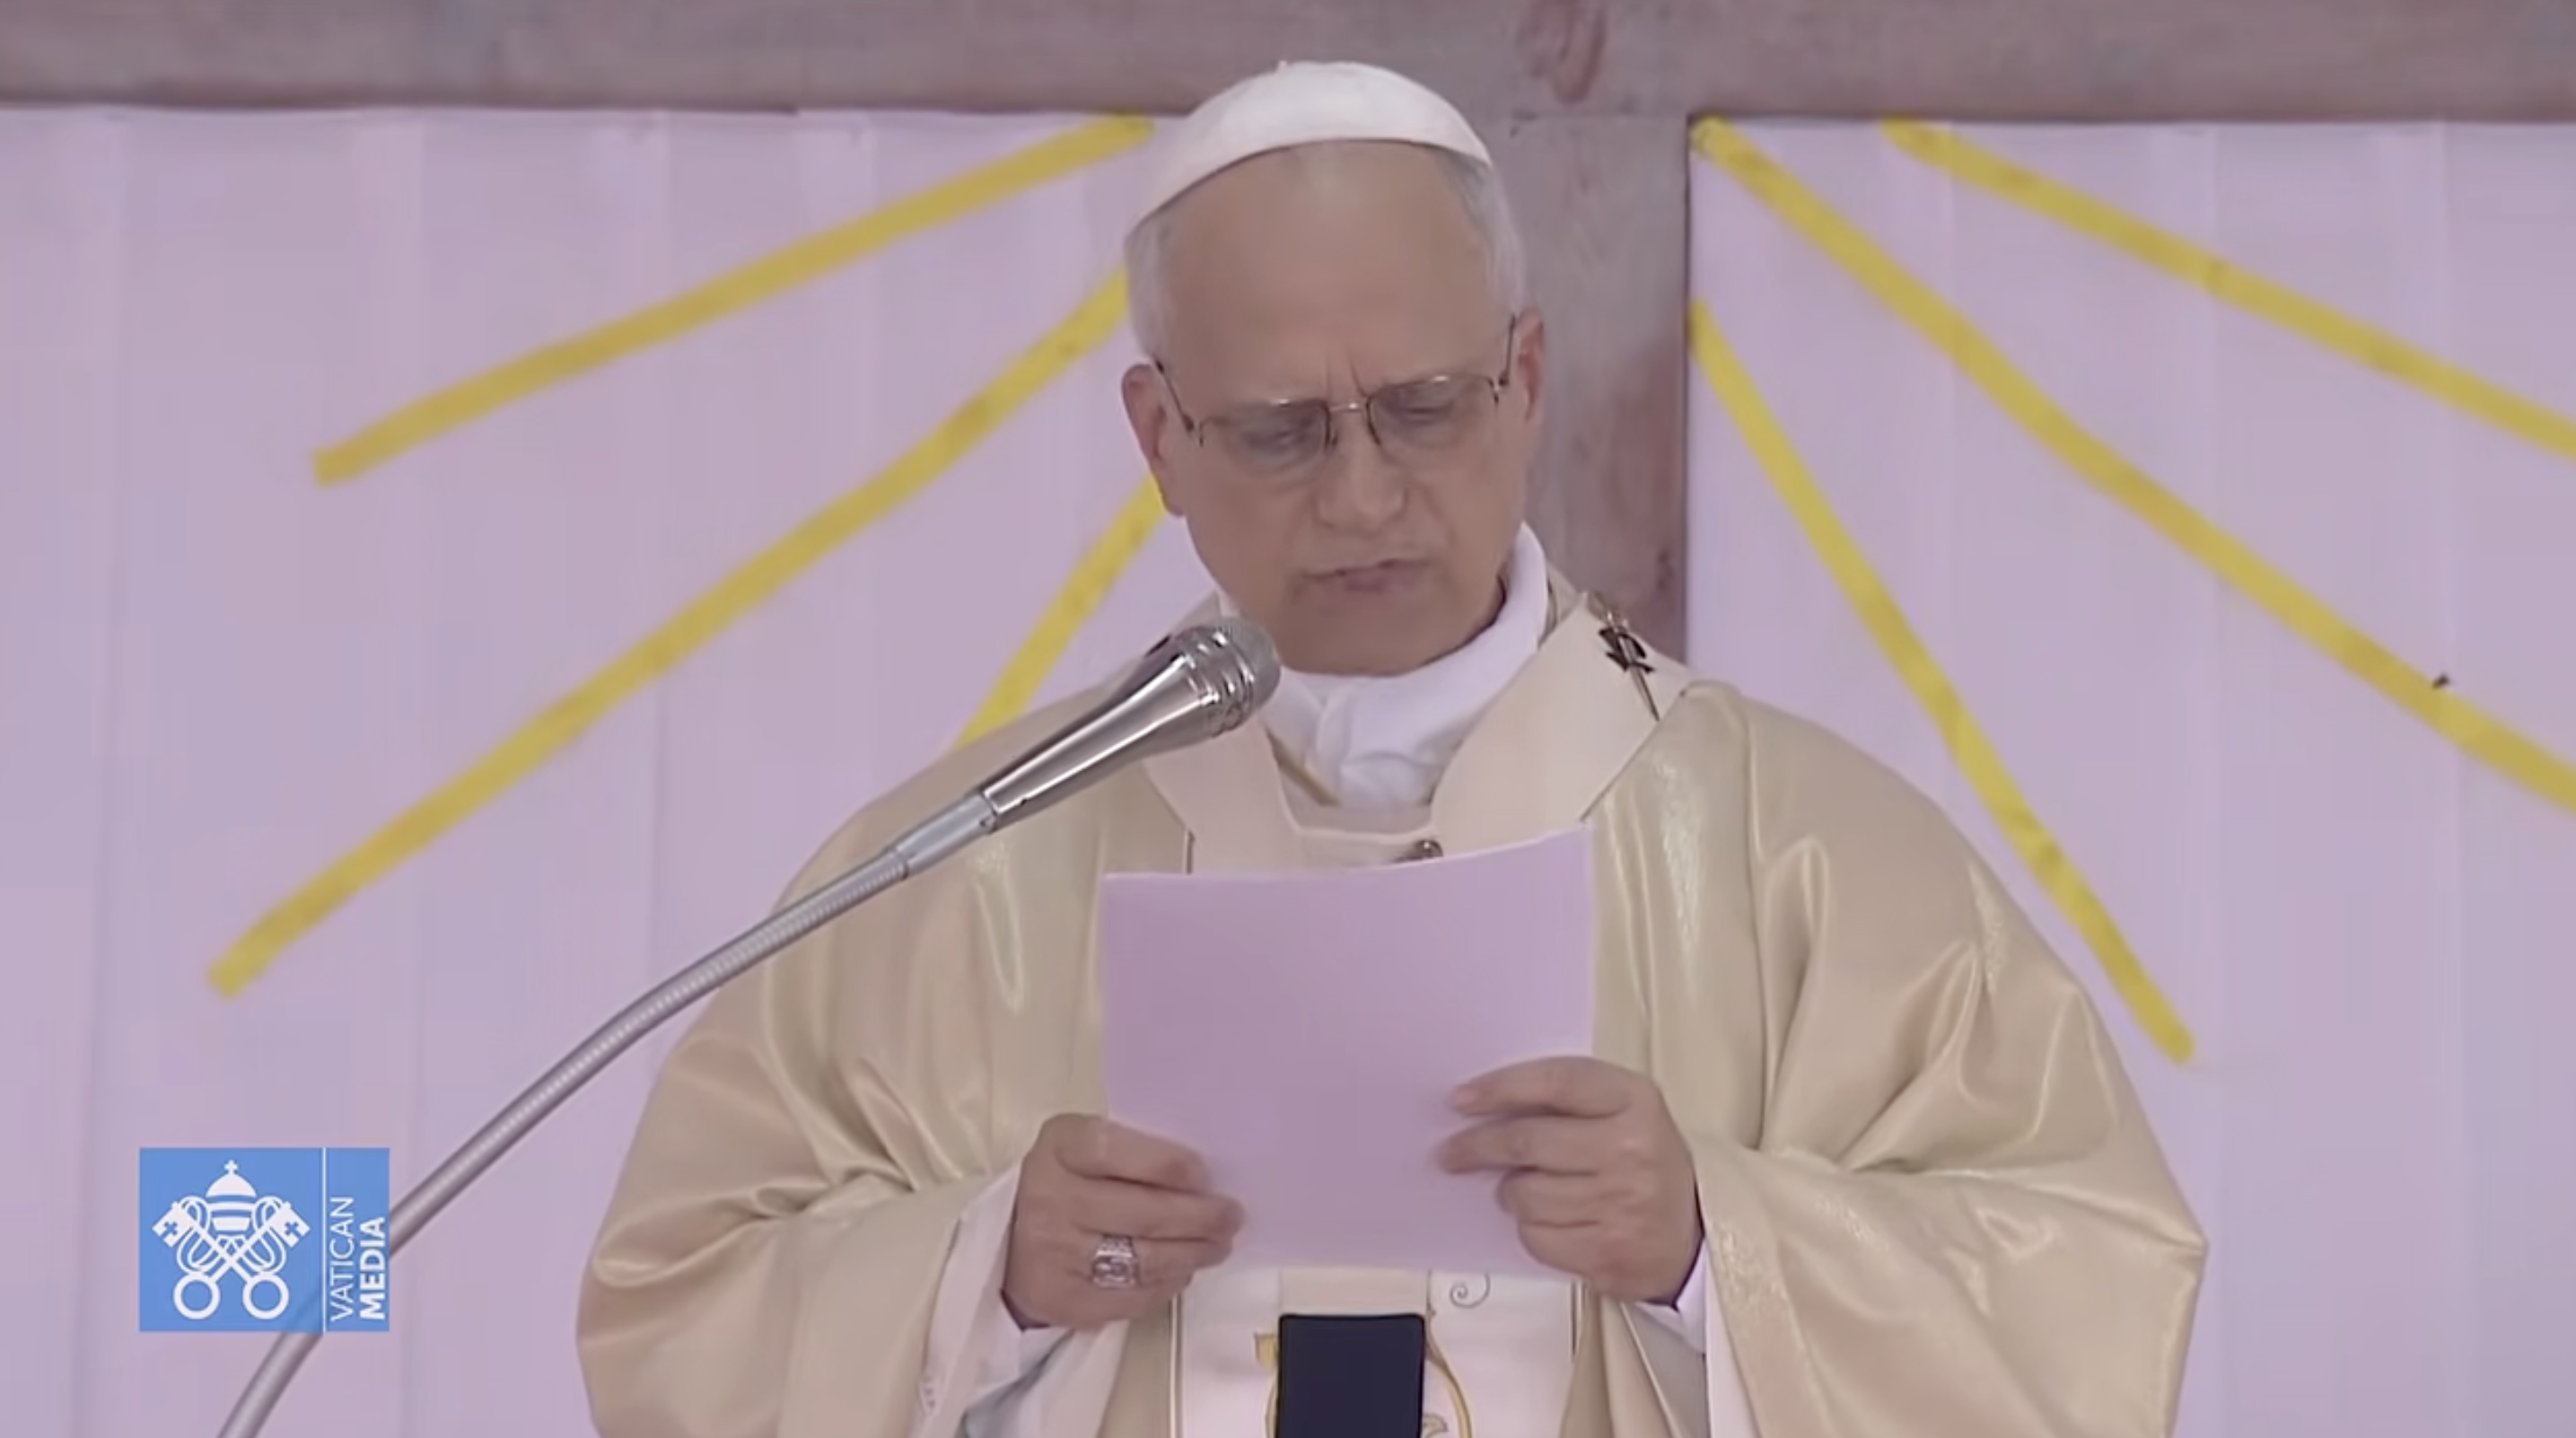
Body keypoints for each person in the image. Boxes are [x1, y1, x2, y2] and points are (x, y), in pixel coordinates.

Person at [574, 59, 2206, 1438]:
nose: (1360, 495)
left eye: (1421, 406)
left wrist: (1717, 1243)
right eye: (1279, 430)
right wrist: (985, 1272)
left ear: (1525, 380)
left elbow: (2091, 1286)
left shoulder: (1806, 860)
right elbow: (675, 1301)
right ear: (1158, 438)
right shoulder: (956, 878)